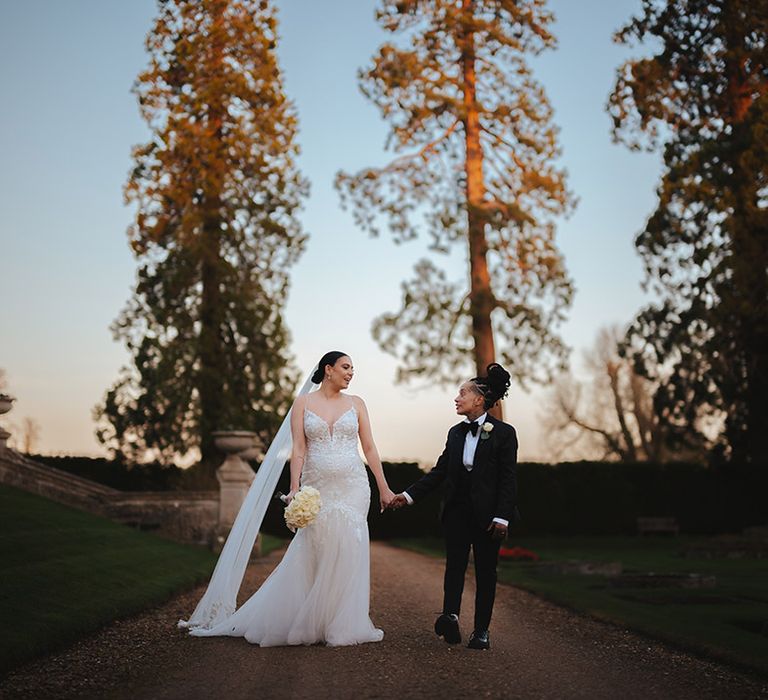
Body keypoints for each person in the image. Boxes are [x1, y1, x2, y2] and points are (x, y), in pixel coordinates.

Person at [186, 351, 396, 646]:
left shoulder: (357, 404)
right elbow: (298, 449)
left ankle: (342, 622)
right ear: (328, 370)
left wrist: (384, 488)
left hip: (354, 486)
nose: (351, 373)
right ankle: (305, 619)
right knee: (314, 547)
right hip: (316, 486)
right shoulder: (303, 403)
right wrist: (295, 488)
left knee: (350, 545)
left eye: (352, 369)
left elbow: (370, 448)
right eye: (346, 367)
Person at [388, 363, 518, 651]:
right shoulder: (455, 433)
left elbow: (508, 480)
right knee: (454, 568)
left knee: (486, 572)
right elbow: (440, 472)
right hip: (457, 513)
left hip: (488, 517)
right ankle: (451, 617)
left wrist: (502, 517)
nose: (456, 398)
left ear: (479, 400)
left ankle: (481, 631)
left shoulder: (504, 433)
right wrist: (407, 496)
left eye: (462, 393)